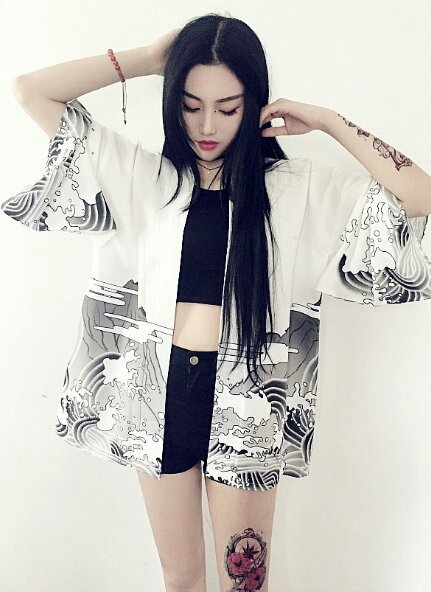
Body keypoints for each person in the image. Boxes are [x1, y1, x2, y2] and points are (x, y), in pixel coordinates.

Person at [3, 12, 431, 592]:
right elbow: (31, 90)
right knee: (181, 577)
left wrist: (327, 121)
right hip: (155, 396)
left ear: (254, 104)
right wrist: (148, 60)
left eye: (228, 108)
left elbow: (420, 196)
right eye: (191, 105)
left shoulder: (301, 191)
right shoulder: (139, 176)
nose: (207, 125)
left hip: (247, 400)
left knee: (244, 584)